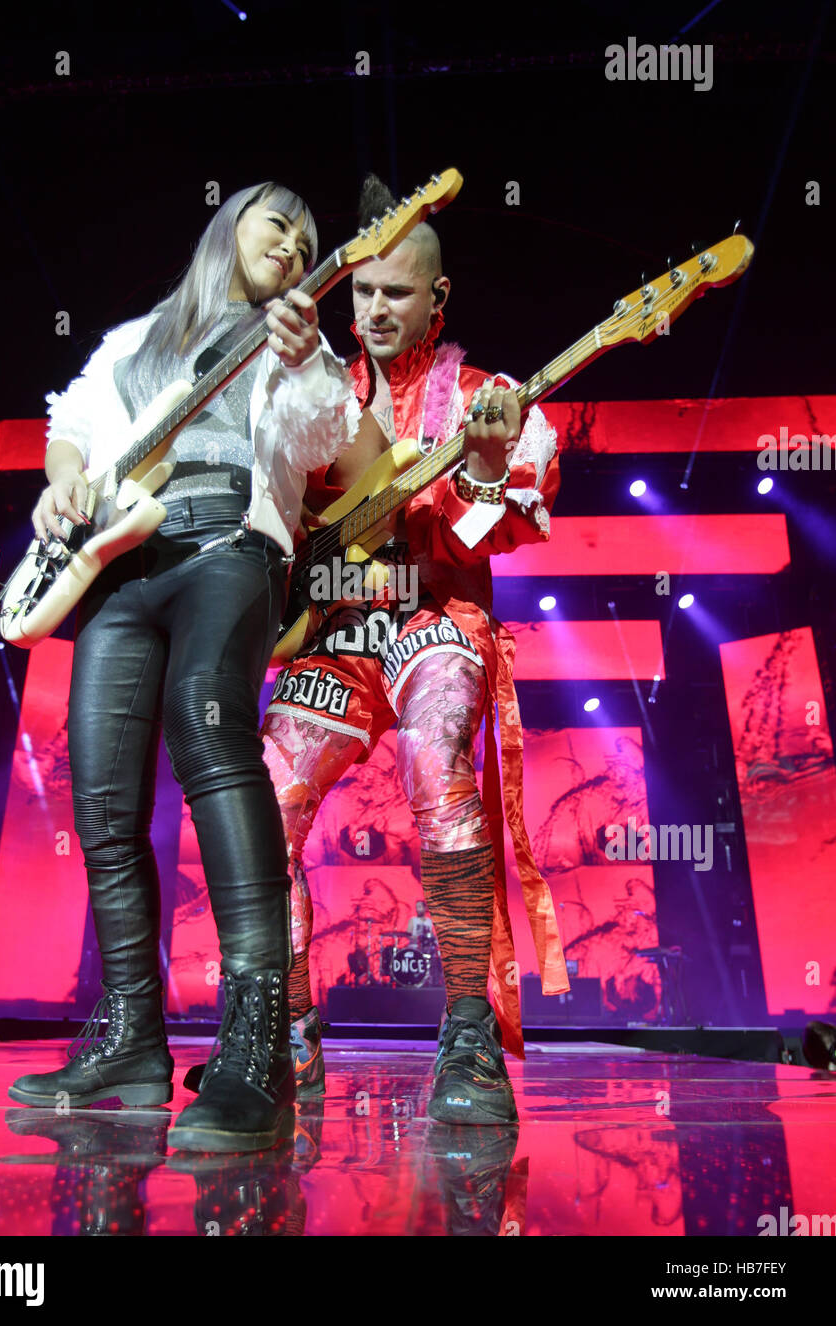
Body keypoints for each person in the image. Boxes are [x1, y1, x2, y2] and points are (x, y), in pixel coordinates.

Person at [7, 182, 358, 1153]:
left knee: (214, 742)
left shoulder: (297, 337)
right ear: (228, 227)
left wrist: (306, 358)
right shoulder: (138, 339)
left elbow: (335, 440)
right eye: (276, 222)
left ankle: (254, 1045)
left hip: (232, 549)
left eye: (307, 236)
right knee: (104, 802)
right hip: (125, 562)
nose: (292, 243)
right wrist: (65, 474)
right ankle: (129, 1039)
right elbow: (73, 414)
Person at [251, 175, 569, 1123]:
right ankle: (286, 1036)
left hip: (436, 619)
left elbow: (489, 536)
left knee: (436, 760)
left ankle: (468, 1034)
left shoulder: (493, 398)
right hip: (338, 630)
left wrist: (477, 464)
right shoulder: (315, 395)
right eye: (363, 291)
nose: (376, 309)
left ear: (438, 298)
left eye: (398, 291)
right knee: (262, 800)